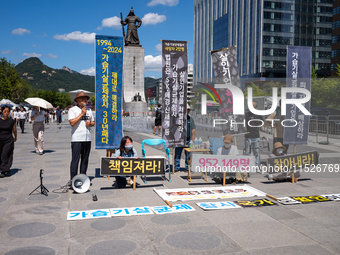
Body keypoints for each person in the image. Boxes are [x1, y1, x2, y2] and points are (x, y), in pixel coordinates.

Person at [68, 91, 95, 187]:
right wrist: (81, 114)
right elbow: (72, 123)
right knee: (75, 159)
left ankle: (83, 178)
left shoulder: (89, 110)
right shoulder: (72, 110)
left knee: (85, 159)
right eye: (82, 99)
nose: (84, 100)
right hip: (77, 138)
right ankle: (73, 180)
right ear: (77, 100)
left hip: (87, 138)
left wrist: (90, 124)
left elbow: (93, 122)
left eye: (85, 99)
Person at [174, 104, 196, 172]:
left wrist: (193, 138)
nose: (187, 111)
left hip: (188, 139)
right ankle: (176, 168)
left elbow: (193, 128)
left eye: (188, 110)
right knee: (177, 154)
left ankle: (187, 168)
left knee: (188, 155)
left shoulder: (190, 119)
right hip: (179, 139)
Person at [0, 106, 17, 177]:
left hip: (8, 140)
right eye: (5, 111)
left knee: (5, 154)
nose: (6, 113)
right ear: (2, 111)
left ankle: (3, 170)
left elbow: (14, 130)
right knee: (1, 154)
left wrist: (15, 137)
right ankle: (6, 167)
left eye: (8, 111)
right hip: (0, 140)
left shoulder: (12, 121)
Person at [244, 101, 263, 167]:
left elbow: (262, 122)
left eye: (253, 106)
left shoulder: (259, 115)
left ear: (256, 107)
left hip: (256, 136)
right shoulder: (246, 114)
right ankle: (247, 165)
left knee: (256, 152)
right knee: (247, 152)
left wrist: (258, 126)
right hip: (248, 136)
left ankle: (256, 165)